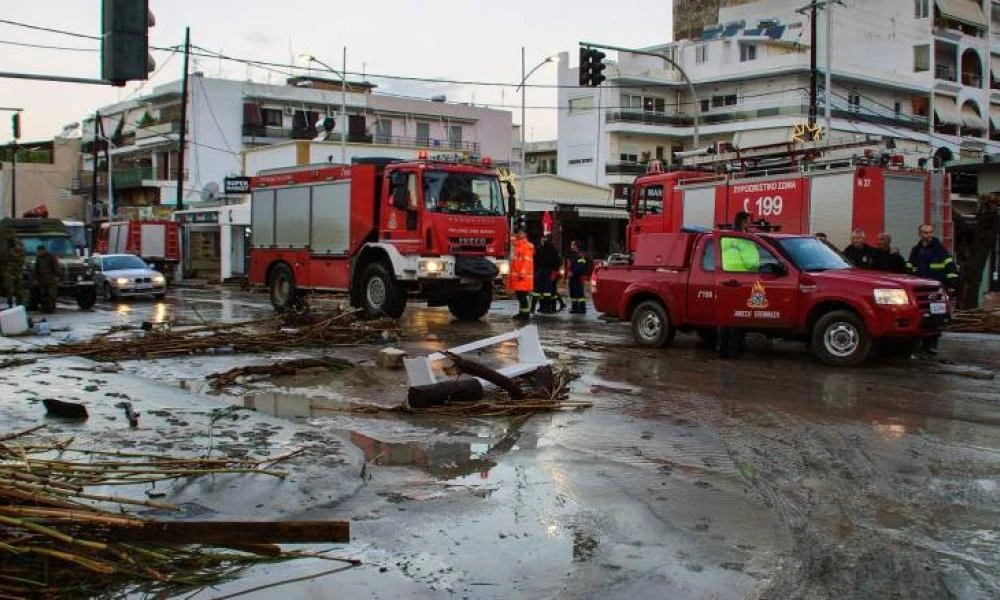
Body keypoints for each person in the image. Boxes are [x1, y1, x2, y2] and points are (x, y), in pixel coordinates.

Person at [908, 224, 958, 354]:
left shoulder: (939, 249)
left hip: (935, 290)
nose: (928, 235)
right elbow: (909, 268)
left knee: (935, 317)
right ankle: (919, 345)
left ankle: (931, 345)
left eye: (930, 232)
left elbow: (950, 268)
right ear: (920, 234)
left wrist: (952, 285)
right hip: (919, 290)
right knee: (920, 317)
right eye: (925, 233)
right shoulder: (916, 250)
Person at [532, 234, 561, 314]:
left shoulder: (539, 249)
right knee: (547, 291)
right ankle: (547, 308)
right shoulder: (553, 250)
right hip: (548, 272)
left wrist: (535, 271)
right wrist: (555, 270)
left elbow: (535, 261)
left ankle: (535, 307)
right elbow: (557, 262)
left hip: (540, 272)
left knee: (538, 290)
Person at [509, 227, 534, 322]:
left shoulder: (526, 246)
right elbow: (512, 239)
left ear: (525, 235)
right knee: (520, 296)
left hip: (523, 277)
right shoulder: (518, 245)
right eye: (518, 233)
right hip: (518, 276)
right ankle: (522, 313)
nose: (519, 235)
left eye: (521, 233)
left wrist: (522, 273)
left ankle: (525, 314)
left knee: (523, 297)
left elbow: (527, 261)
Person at [34, 245, 59, 314]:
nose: (38, 252)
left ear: (44, 250)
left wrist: (56, 276)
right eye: (38, 251)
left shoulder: (51, 257)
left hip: (51, 279)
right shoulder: (38, 258)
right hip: (42, 280)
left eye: (40, 251)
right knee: (43, 295)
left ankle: (51, 309)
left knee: (51, 295)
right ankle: (45, 308)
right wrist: (36, 279)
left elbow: (56, 267)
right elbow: (36, 269)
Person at [566, 240, 590, 314]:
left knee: (579, 293)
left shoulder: (580, 255)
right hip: (572, 277)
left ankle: (582, 309)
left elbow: (581, 266)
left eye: (572, 245)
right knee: (573, 293)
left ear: (576, 246)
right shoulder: (572, 255)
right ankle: (575, 308)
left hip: (577, 277)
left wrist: (573, 272)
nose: (571, 246)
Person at [3, 233, 25, 307]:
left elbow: (19, 256)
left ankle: (19, 305)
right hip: (9, 273)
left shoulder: (19, 250)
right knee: (10, 290)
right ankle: (10, 305)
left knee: (19, 291)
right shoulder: (7, 249)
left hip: (17, 272)